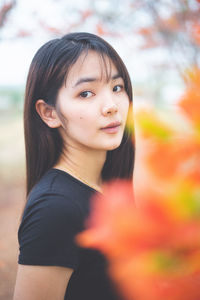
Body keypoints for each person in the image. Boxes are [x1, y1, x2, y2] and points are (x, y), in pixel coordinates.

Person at [13, 32, 135, 300]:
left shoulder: (110, 187)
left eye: (117, 88)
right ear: (50, 113)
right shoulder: (55, 208)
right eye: (86, 93)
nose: (111, 106)